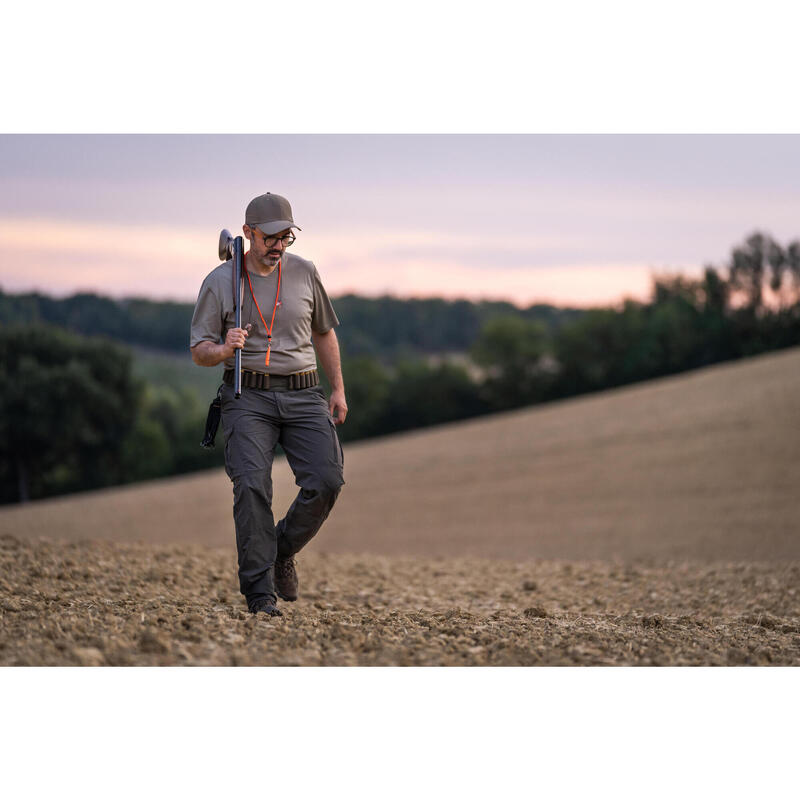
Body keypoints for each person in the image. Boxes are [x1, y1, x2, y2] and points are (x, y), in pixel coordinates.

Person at [190, 192, 346, 617]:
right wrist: (224, 349)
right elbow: (198, 350)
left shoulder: (305, 272)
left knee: (327, 479)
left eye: (287, 237)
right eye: (271, 238)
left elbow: (324, 333)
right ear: (248, 234)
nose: (279, 246)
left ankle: (280, 550)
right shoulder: (220, 282)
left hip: (304, 392)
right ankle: (260, 595)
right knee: (253, 487)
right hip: (247, 395)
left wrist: (338, 389)